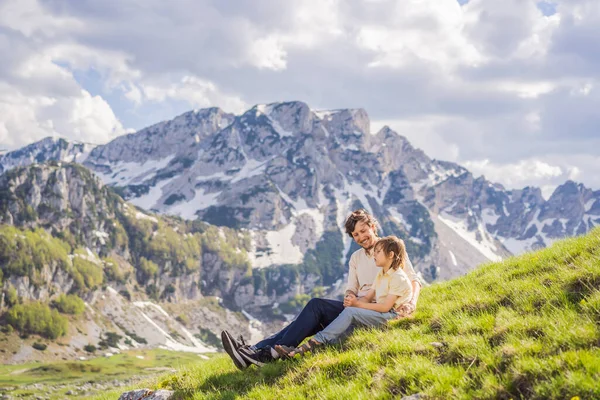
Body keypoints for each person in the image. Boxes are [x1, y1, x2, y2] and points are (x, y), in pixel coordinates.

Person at [221, 209, 422, 369]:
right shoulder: (356, 258)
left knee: (312, 313)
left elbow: (413, 280)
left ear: (372, 226)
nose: (361, 237)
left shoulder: (389, 250)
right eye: (355, 235)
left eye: (363, 231)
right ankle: (252, 352)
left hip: (371, 311)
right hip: (357, 305)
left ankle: (260, 353)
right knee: (309, 314)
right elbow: (351, 288)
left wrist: (411, 303)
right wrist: (350, 297)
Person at [283, 236, 412, 356]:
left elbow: (385, 307)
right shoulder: (381, 274)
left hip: (393, 317)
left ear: (390, 255)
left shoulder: (398, 277)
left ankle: (312, 343)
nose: (374, 254)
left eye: (378, 252)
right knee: (347, 318)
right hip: (381, 314)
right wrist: (353, 301)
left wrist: (357, 305)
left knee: (351, 313)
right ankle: (303, 350)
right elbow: (367, 297)